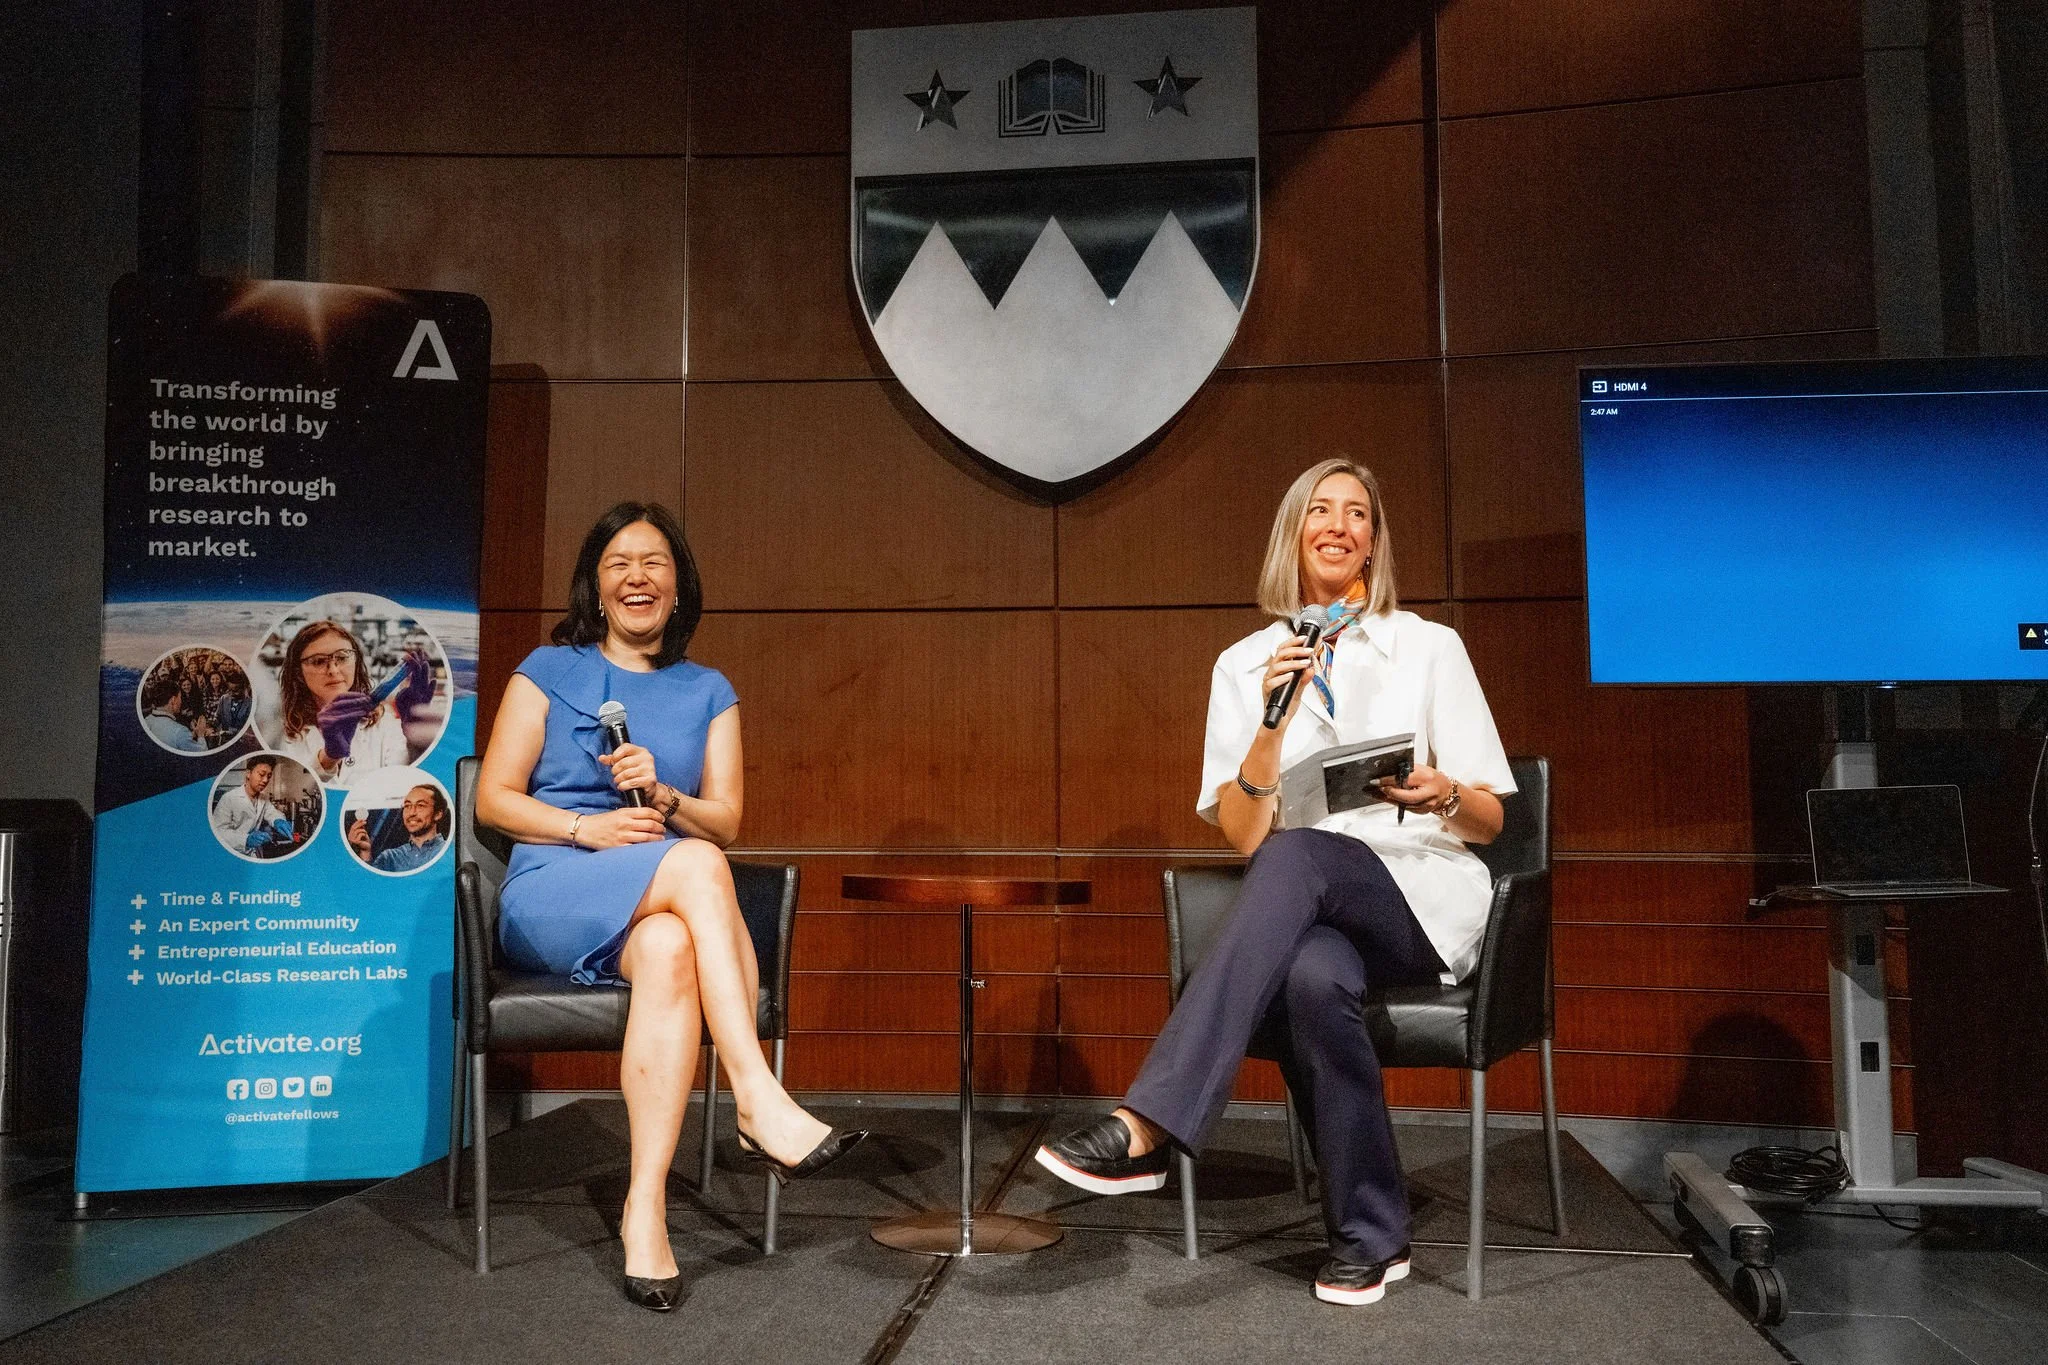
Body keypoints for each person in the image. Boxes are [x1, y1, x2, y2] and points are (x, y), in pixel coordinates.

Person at [1035, 458, 1516, 1308]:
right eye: (1319, 511)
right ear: (1294, 534)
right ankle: (1373, 1235)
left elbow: (1490, 821)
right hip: (1307, 912)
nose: (1338, 525)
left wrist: (1439, 788)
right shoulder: (1246, 662)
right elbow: (1243, 830)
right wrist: (1271, 725)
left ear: (1374, 540)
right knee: (1308, 977)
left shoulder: (1430, 648)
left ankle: (1150, 1121)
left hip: (1418, 894)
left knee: (1296, 857)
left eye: (1357, 513)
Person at [475, 501, 865, 1313]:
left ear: (679, 586)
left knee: (669, 949)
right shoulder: (548, 670)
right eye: (619, 562)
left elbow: (726, 820)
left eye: (653, 561)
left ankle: (643, 1210)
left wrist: (661, 791)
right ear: (596, 585)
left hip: (658, 887)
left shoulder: (709, 690)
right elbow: (494, 801)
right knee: (693, 864)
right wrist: (588, 824)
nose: (636, 576)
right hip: (556, 880)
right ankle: (757, 1096)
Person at [273, 620, 432, 787]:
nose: (333, 670)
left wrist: (415, 741)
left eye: (342, 658)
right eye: (318, 661)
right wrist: (328, 757)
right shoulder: (279, 733)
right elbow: (289, 792)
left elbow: (402, 783)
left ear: (356, 662)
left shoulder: (384, 723)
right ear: (298, 672)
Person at [347, 783, 449, 873]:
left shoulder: (449, 853)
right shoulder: (389, 858)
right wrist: (365, 853)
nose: (412, 812)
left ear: (438, 814)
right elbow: (371, 886)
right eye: (407, 805)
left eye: (420, 805)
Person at [211, 757, 292, 856]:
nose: (265, 780)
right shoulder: (229, 798)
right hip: (233, 853)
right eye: (261, 774)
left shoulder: (263, 798)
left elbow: (271, 813)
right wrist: (246, 839)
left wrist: (278, 820)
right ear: (248, 774)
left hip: (254, 853)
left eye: (269, 776)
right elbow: (218, 832)